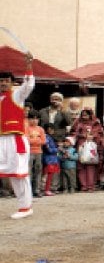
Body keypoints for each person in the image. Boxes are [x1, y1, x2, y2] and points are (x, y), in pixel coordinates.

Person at [0, 53, 35, 218]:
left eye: (6, 81)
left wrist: (28, 66)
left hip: (14, 139)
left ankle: (25, 207)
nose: (3, 84)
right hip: (0, 140)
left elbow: (28, 85)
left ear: (11, 83)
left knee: (18, 174)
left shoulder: (16, 95)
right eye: (0, 81)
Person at [70, 107, 104, 192]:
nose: (84, 116)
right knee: (81, 166)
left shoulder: (96, 122)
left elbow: (100, 133)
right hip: (81, 146)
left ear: (90, 114)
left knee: (91, 165)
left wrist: (93, 136)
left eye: (86, 114)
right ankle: (83, 185)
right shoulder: (77, 122)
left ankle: (91, 186)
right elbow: (72, 132)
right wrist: (81, 135)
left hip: (92, 146)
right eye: (83, 114)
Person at [26, 111, 45, 197]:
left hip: (38, 152)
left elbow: (43, 141)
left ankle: (37, 190)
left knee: (38, 171)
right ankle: (28, 191)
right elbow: (26, 140)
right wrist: (37, 140)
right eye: (32, 118)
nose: (34, 120)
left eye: (36, 118)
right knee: (29, 171)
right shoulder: (26, 128)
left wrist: (33, 141)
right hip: (29, 152)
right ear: (28, 119)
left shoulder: (40, 129)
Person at [41, 122, 60, 196]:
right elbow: (48, 149)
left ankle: (47, 189)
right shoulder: (46, 137)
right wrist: (56, 149)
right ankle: (46, 190)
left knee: (50, 176)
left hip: (52, 159)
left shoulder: (50, 137)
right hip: (48, 159)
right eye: (51, 129)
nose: (52, 131)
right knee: (47, 176)